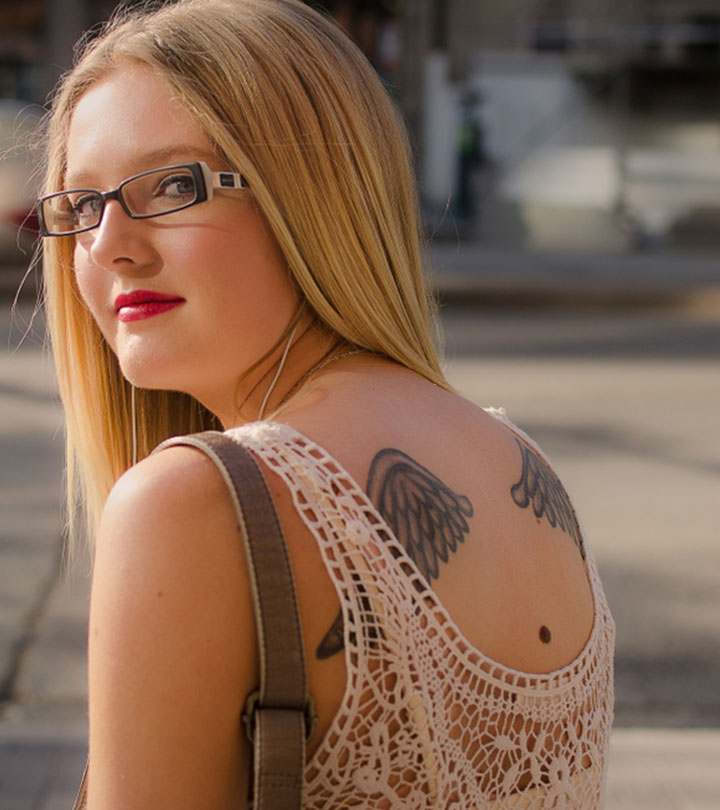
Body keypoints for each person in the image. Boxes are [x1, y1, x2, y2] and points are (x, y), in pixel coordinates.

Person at [38, 0, 614, 807]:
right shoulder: (523, 468)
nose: (109, 245)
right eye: (82, 206)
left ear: (311, 194)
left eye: (172, 185)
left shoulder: (192, 503)